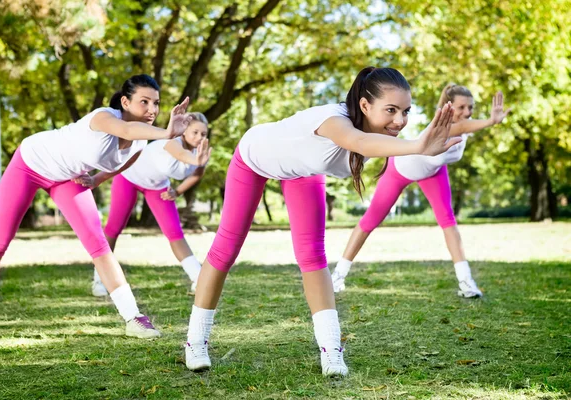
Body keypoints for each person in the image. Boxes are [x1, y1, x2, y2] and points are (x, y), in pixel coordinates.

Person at [183, 67, 461, 376]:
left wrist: (428, 143)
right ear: (366, 106)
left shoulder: (380, 133)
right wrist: (418, 144)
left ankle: (331, 351)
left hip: (302, 170)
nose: (400, 120)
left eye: (406, 111)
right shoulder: (335, 121)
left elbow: (390, 151)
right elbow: (361, 143)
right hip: (253, 158)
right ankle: (195, 342)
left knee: (313, 256)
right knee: (227, 248)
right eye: (391, 110)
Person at [0, 74, 192, 343]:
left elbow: (124, 162)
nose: (152, 110)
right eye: (144, 102)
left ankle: (133, 318)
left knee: (99, 244)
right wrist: (168, 133)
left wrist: (97, 178)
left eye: (156, 103)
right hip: (31, 163)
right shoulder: (104, 117)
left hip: (68, 177)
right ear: (125, 101)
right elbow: (126, 131)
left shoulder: (141, 141)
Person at [331, 85, 510, 298]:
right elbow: (462, 128)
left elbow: (465, 127)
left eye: (470, 107)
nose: (467, 112)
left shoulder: (464, 126)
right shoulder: (445, 125)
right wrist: (491, 121)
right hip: (401, 169)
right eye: (461, 107)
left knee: (448, 221)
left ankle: (466, 282)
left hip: (433, 172)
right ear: (448, 107)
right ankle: (337, 276)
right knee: (370, 221)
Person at [87, 112, 212, 296]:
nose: (199, 137)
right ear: (184, 131)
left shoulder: (200, 153)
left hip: (157, 186)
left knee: (174, 232)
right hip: (129, 177)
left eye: (203, 134)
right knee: (114, 228)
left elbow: (198, 174)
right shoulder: (172, 142)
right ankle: (99, 280)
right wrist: (197, 160)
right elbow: (183, 156)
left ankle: (198, 279)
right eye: (195, 132)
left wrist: (177, 191)